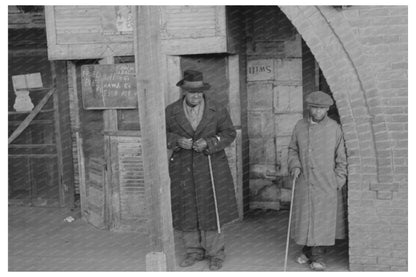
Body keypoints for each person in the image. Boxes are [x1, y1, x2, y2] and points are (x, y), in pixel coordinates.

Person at [165, 69, 238, 271]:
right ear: (184, 92)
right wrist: (176, 141)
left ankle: (216, 254)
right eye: (191, 92)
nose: (196, 95)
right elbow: (160, 133)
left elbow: (229, 134)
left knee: (212, 210)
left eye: (199, 92)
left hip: (211, 167)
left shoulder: (217, 109)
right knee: (187, 210)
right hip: (183, 169)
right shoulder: (171, 111)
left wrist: (210, 142)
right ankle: (193, 251)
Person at [287, 90, 348, 271]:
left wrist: (338, 180)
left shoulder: (334, 128)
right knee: (307, 218)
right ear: (309, 108)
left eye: (321, 109)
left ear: (327, 109)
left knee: (322, 220)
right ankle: (308, 250)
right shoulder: (299, 126)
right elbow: (292, 149)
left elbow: (342, 158)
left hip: (326, 183)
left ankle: (318, 257)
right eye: (314, 108)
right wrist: (295, 165)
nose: (317, 112)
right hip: (305, 182)